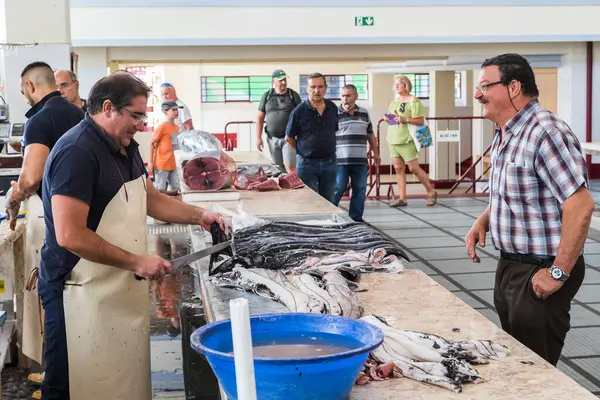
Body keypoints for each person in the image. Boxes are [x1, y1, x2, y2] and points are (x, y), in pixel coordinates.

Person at [38, 72, 223, 399]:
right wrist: (136, 261)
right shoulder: (77, 152)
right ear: (108, 108)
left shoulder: (124, 146)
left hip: (114, 288)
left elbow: (149, 198)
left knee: (117, 383)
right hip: (76, 291)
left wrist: (200, 216)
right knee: (71, 385)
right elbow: (70, 235)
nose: (140, 124)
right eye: (136, 115)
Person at [465, 53, 595, 366]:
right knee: (517, 365)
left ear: (513, 87)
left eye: (485, 86)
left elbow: (580, 205)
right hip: (511, 267)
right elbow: (521, 189)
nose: (477, 94)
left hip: (540, 270)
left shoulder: (544, 133)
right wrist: (485, 219)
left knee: (536, 371)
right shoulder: (506, 131)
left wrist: (558, 273)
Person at [5, 63, 84, 398]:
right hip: (83, 219)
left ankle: (56, 387)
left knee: (53, 301)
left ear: (28, 85)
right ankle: (62, 373)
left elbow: (31, 176)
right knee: (73, 306)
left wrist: (12, 197)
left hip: (57, 222)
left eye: (22, 90)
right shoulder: (77, 113)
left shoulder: (39, 120)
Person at [384, 75, 437, 207]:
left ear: (406, 85)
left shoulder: (414, 101)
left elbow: (419, 120)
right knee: (398, 168)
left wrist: (405, 119)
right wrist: (388, 118)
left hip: (407, 139)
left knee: (414, 168)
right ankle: (402, 198)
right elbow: (394, 119)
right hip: (393, 138)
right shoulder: (394, 100)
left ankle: (431, 191)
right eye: (395, 84)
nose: (396, 87)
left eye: (399, 84)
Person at [285, 73, 338, 203]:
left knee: (329, 201)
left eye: (320, 87)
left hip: (330, 163)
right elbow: (289, 137)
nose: (316, 90)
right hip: (307, 164)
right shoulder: (298, 111)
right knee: (309, 202)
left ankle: (328, 224)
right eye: (313, 87)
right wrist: (303, 151)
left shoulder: (333, 108)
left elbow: (334, 130)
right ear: (307, 89)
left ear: (325, 88)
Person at [332, 84, 379, 222]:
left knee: (360, 189)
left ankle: (356, 218)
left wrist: (376, 153)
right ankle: (328, 215)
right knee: (338, 188)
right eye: (343, 96)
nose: (345, 99)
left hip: (360, 161)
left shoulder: (364, 113)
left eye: (348, 95)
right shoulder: (334, 114)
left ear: (355, 96)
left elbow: (370, 134)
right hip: (340, 160)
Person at [256, 69, 301, 173]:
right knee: (278, 167)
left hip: (289, 138)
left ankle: (295, 186)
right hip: (272, 138)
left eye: (285, 79)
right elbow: (260, 117)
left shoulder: (293, 95)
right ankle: (286, 186)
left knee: (290, 167)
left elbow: (301, 116)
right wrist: (258, 138)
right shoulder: (267, 96)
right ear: (273, 81)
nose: (284, 82)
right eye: (280, 80)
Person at [149, 100, 182, 195]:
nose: (176, 112)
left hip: (173, 163)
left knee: (176, 187)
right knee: (160, 189)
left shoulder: (176, 127)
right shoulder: (162, 127)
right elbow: (152, 144)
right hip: (162, 164)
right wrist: (151, 162)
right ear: (165, 111)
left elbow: (175, 145)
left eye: (177, 110)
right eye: (174, 110)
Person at [161, 82, 193, 150]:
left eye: (166, 93)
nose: (165, 97)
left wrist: (189, 147)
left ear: (174, 92)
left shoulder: (181, 107)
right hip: (173, 146)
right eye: (162, 94)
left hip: (181, 147)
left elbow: (189, 128)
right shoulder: (168, 108)